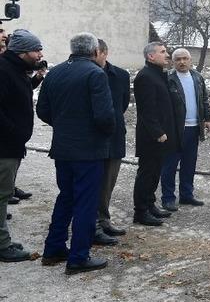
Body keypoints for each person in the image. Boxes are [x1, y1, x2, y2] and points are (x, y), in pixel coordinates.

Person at [36, 32, 115, 275]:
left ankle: (54, 248)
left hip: (63, 148)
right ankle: (79, 256)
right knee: (86, 203)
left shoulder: (56, 72)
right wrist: (105, 132)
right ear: (94, 51)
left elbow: (42, 110)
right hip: (89, 151)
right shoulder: (95, 73)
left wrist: (64, 125)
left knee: (66, 197)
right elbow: (104, 116)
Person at [0, 29, 43, 262]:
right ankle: (2, 246)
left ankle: (2, 240)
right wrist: (14, 134)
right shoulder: (4, 70)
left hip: (11, 145)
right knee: (1, 195)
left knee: (3, 195)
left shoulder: (15, 69)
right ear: (22, 52)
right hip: (4, 146)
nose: (40, 54)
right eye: (36, 49)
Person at [132, 42, 181, 226]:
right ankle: (140, 212)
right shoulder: (145, 77)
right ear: (150, 56)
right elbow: (147, 110)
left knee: (155, 173)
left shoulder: (158, 75)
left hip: (162, 136)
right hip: (152, 137)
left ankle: (150, 205)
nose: (167, 55)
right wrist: (158, 132)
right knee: (146, 173)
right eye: (162, 52)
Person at [161, 48, 210, 211]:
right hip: (174, 130)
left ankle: (186, 195)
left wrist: (207, 119)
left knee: (189, 164)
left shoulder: (197, 77)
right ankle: (168, 198)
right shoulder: (168, 79)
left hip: (194, 128)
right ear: (173, 62)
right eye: (178, 59)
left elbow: (204, 99)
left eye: (185, 59)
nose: (182, 62)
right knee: (169, 165)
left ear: (190, 60)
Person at [93, 39, 130, 241]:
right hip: (91, 138)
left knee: (108, 182)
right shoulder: (84, 74)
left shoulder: (120, 76)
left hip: (114, 136)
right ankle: (93, 224)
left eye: (95, 53)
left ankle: (103, 220)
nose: (91, 57)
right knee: (91, 183)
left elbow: (122, 105)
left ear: (104, 53)